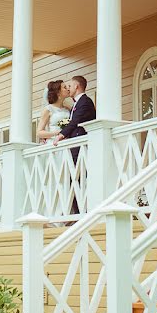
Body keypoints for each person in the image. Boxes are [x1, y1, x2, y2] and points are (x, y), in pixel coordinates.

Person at [52, 76, 96, 215]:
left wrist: (60, 135)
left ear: (77, 86)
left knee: (78, 179)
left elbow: (75, 122)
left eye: (70, 85)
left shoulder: (85, 102)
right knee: (74, 179)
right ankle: (78, 212)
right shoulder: (76, 103)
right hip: (75, 147)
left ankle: (83, 212)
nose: (68, 88)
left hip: (81, 147)